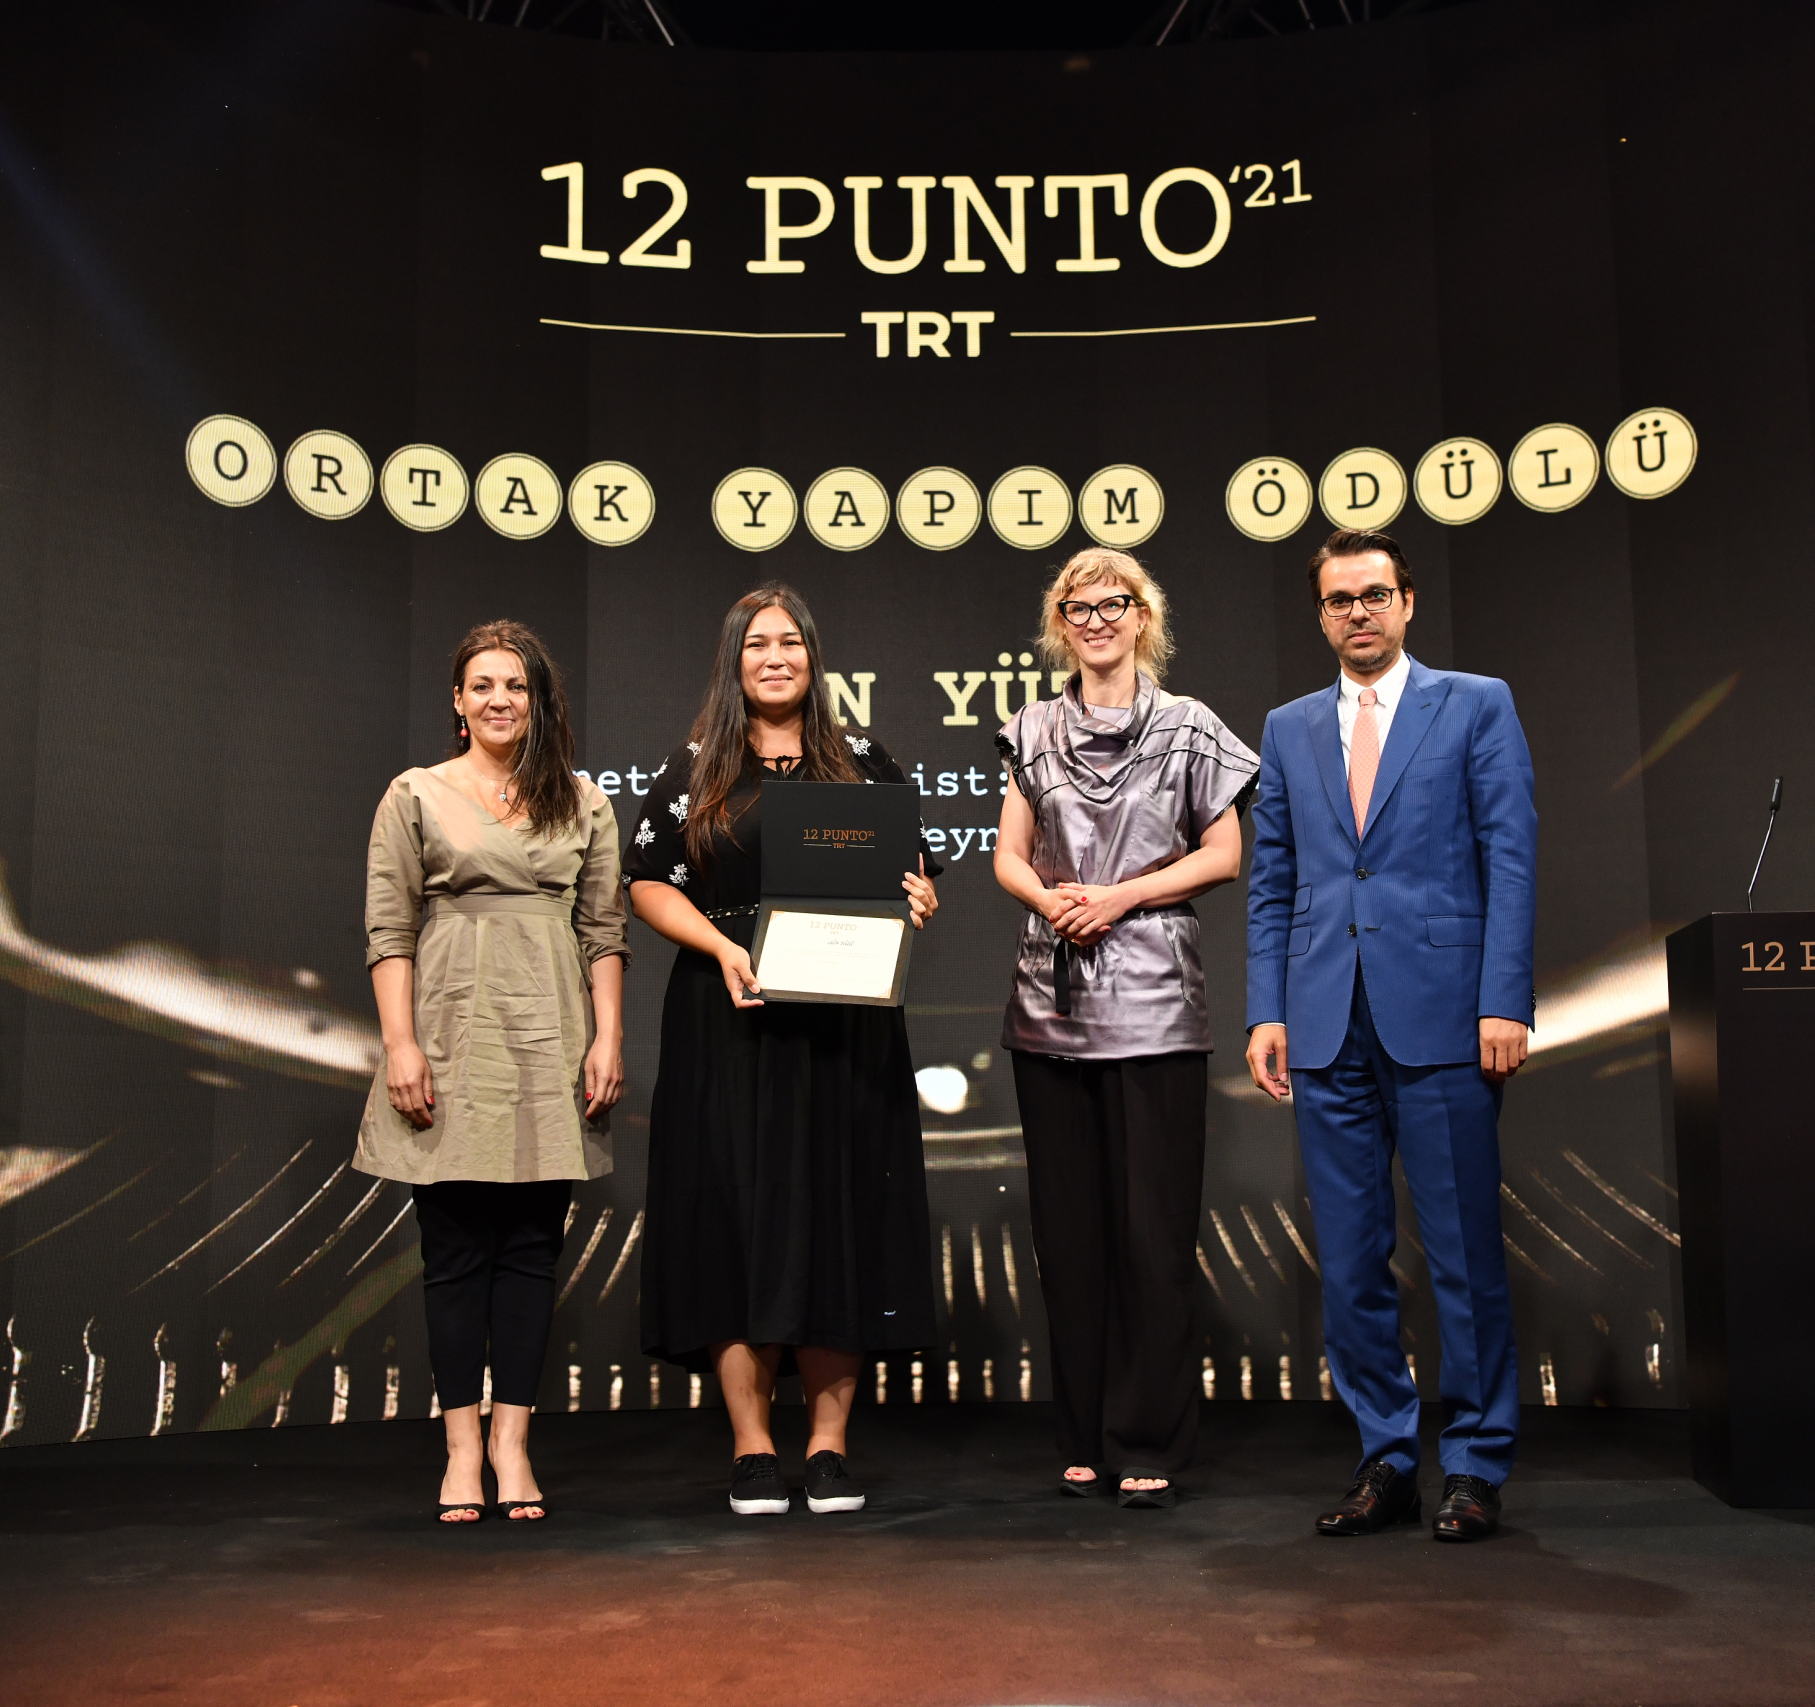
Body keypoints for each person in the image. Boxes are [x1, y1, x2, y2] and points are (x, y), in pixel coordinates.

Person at [1243, 528, 1536, 1544]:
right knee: (1350, 1258)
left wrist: (1504, 999)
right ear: (1320, 614)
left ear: (1406, 602)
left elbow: (1511, 857)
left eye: (1374, 594)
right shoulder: (1287, 727)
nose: (1357, 612)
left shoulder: (1476, 703)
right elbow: (1273, 879)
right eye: (1339, 599)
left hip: (1447, 1013)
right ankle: (1386, 1457)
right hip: (1325, 1021)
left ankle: (1477, 1463)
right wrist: (1268, 1008)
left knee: (1462, 1254)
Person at [626, 584, 941, 1517]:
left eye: (790, 641)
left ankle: (830, 1446)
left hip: (843, 1028)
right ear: (735, 660)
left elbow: (915, 870)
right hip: (730, 1017)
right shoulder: (696, 765)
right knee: (735, 1218)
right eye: (757, 643)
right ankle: (753, 1446)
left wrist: (919, 897)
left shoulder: (864, 761)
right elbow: (647, 882)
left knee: (839, 1217)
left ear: (813, 655)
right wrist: (721, 946)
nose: (775, 657)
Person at [992, 549, 1256, 1508]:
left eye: (1115, 603)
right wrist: (1053, 900)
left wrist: (1121, 896)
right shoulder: (1030, 727)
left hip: (1155, 1008)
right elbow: (1008, 856)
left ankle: (1146, 1436)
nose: (1098, 619)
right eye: (1079, 606)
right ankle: (1082, 1433)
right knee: (1069, 1242)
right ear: (1059, 623)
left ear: (1145, 616)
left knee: (1153, 1238)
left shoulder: (1191, 727)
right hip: (1050, 1007)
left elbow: (1224, 854)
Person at [355, 621, 627, 1525]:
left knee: (531, 1252)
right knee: (455, 1254)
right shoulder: (416, 793)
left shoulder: (582, 801)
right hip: (451, 1030)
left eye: (517, 685)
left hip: (551, 1034)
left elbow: (604, 931)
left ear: (539, 701)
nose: (500, 699)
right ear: (458, 701)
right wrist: (401, 1044)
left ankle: (513, 1443)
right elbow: (389, 928)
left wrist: (608, 1036)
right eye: (483, 684)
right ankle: (461, 1449)